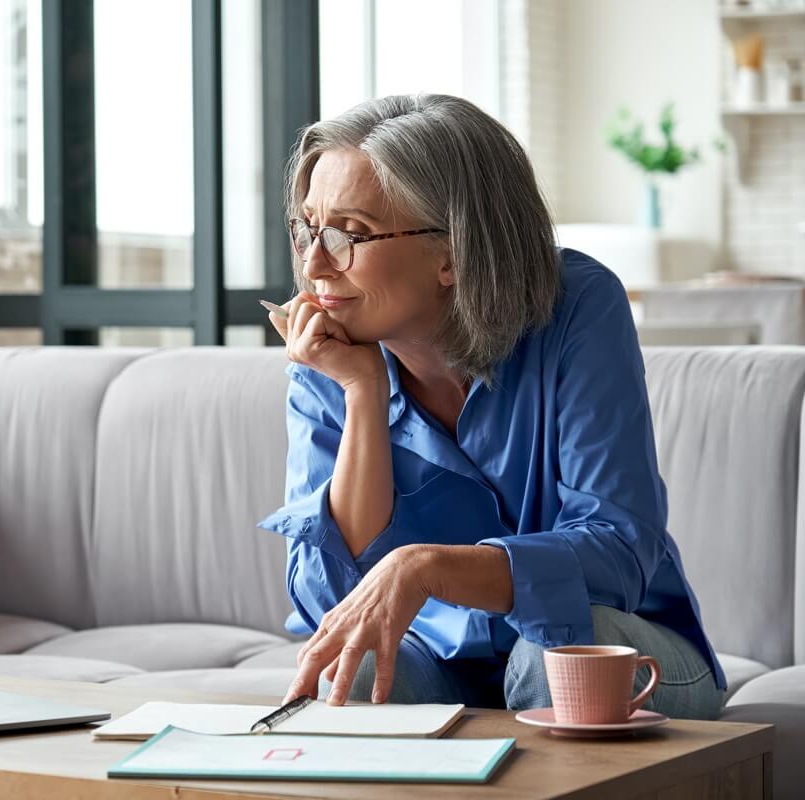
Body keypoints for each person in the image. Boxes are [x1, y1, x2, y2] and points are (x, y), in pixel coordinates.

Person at [256, 94, 726, 719]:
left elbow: (618, 552)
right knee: (357, 670)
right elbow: (332, 601)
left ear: (452, 252)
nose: (315, 265)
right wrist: (363, 395)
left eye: (350, 234)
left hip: (622, 646)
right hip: (440, 660)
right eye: (307, 229)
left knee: (552, 655)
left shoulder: (579, 307)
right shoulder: (330, 351)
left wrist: (427, 568)